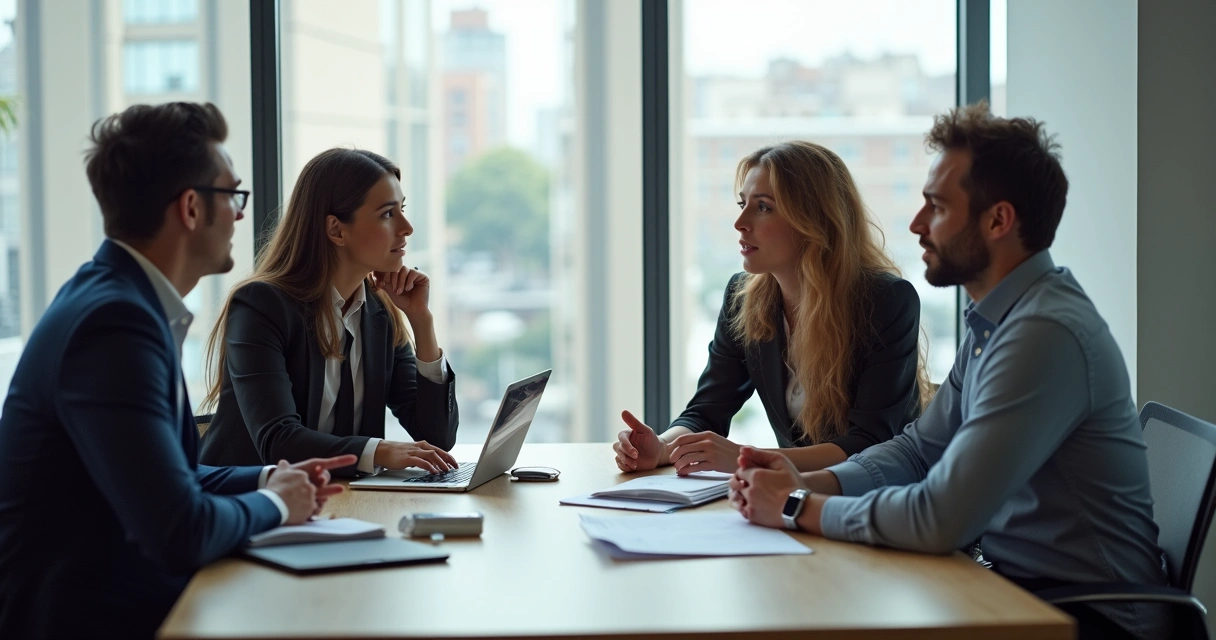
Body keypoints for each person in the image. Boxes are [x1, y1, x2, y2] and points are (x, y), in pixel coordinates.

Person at [730, 102, 1168, 640]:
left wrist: (798, 506)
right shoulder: (999, 322)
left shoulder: (1043, 335)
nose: (916, 225)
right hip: (1011, 590)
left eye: (936, 207)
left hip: (1087, 618)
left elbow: (940, 519)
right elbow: (919, 450)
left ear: (998, 220)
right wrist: (809, 480)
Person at [0, 102, 353, 640]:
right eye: (233, 196)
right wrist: (278, 503)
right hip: (85, 618)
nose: (240, 216)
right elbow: (178, 529)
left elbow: (172, 476)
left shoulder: (117, 299)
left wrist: (269, 479)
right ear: (191, 208)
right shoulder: (114, 324)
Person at [614, 141, 928, 476]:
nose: (740, 222)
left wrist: (744, 457)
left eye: (763, 207)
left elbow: (869, 443)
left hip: (877, 503)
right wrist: (663, 447)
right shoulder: (744, 298)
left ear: (815, 220)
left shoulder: (886, 300)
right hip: (793, 500)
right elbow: (706, 412)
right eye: (742, 203)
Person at [199, 148, 458, 477]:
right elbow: (277, 440)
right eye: (387, 214)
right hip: (249, 509)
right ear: (336, 230)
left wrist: (422, 322)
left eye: (402, 210)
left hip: (340, 504)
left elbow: (437, 436)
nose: (406, 228)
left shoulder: (379, 311)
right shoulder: (260, 306)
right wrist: (381, 450)